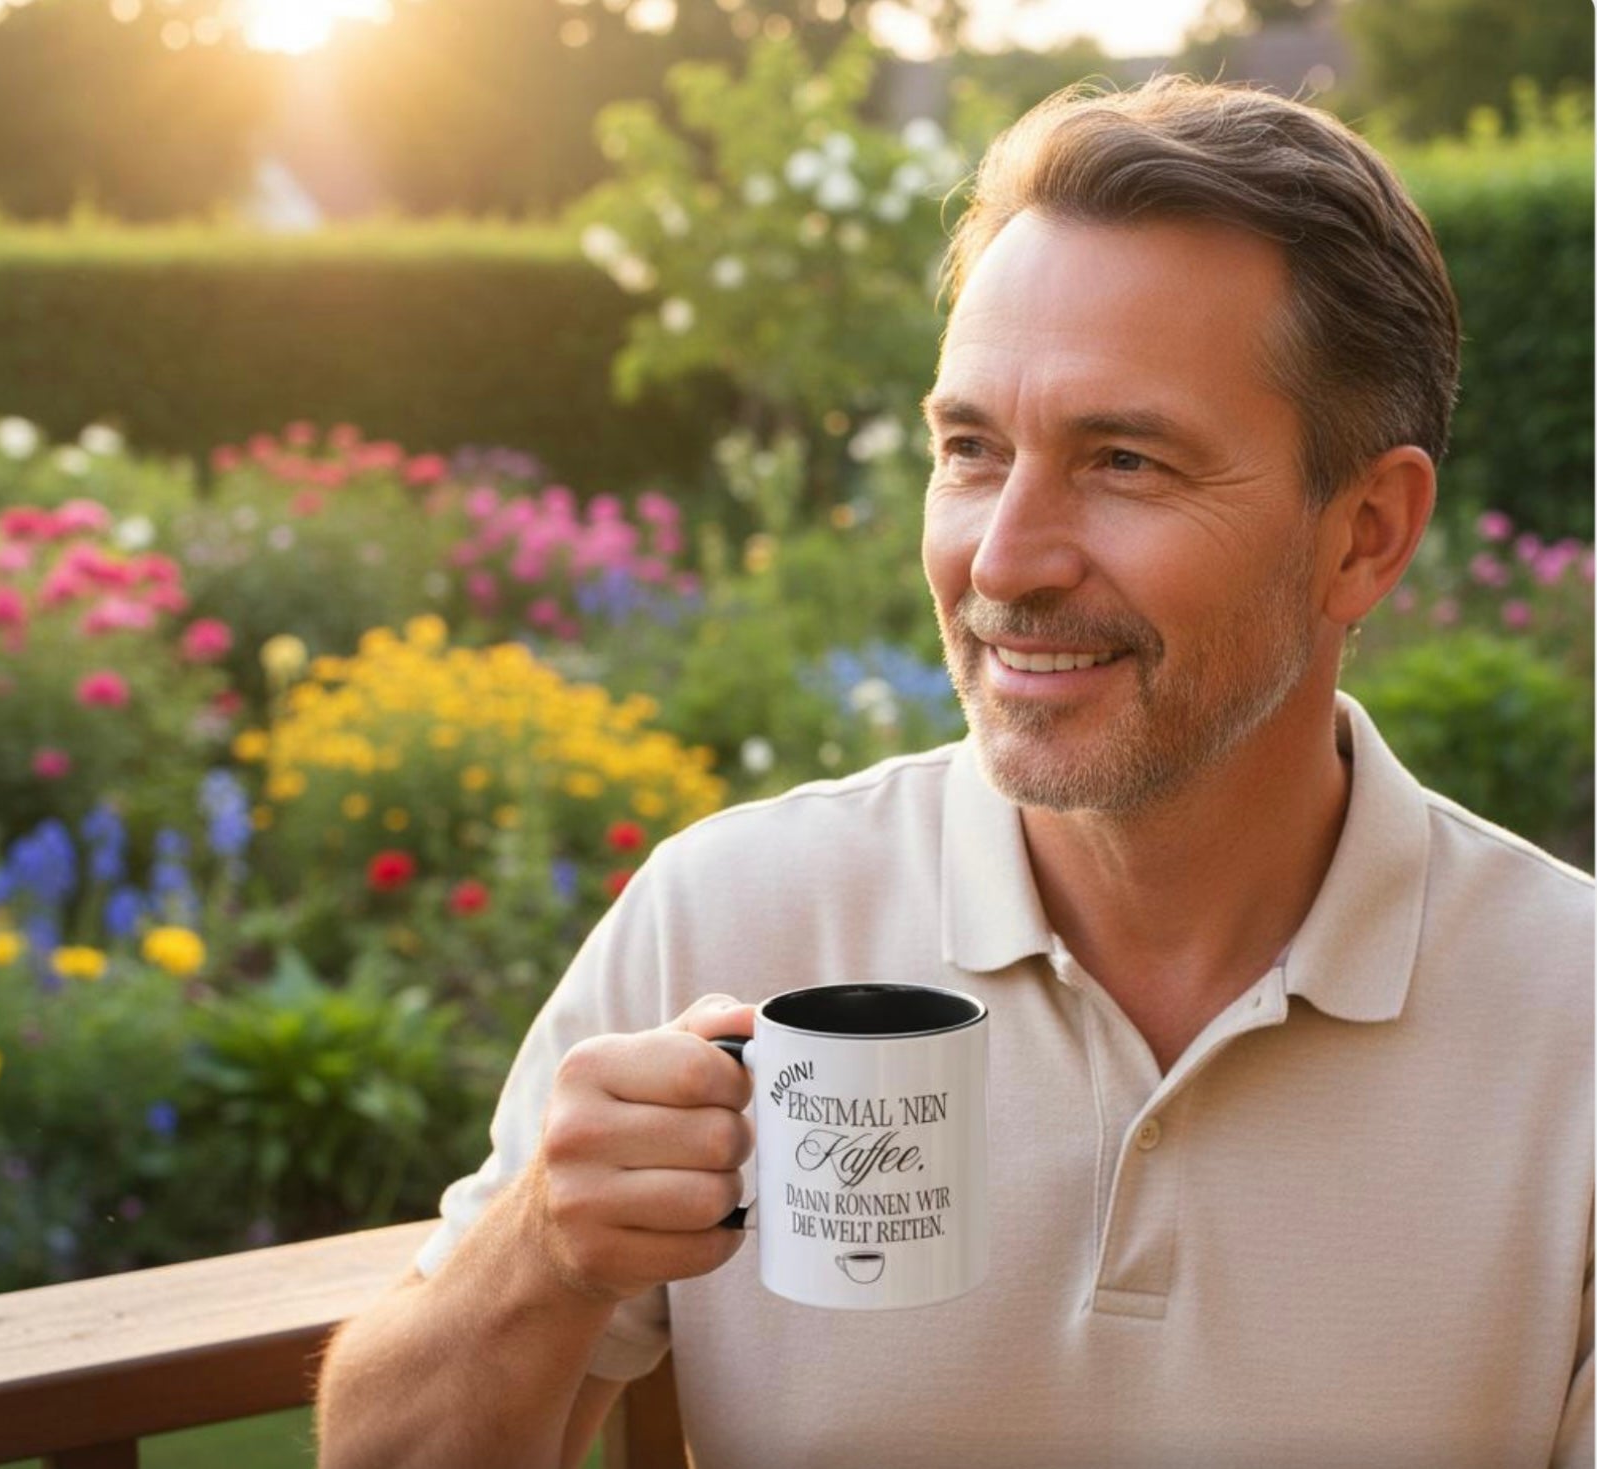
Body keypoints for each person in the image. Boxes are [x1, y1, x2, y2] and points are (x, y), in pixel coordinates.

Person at [315, 76, 1593, 1469]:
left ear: (1363, 534)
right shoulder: (728, 915)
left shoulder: (1567, 1023)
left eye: (1123, 459)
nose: (1001, 560)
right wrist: (538, 1261)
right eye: (970, 450)